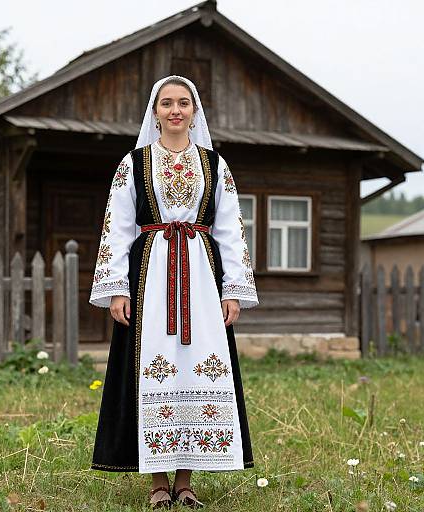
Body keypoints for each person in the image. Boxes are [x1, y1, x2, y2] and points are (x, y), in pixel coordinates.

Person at [89, 75, 260, 508]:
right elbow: (118, 225)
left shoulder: (214, 164)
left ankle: (186, 482)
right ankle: (157, 484)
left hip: (200, 278)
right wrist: (116, 287)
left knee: (196, 366)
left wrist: (232, 289)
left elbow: (230, 230)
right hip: (150, 276)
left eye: (184, 103)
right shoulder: (134, 163)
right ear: (155, 111)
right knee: (153, 368)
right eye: (167, 103)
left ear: (195, 111)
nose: (176, 110)